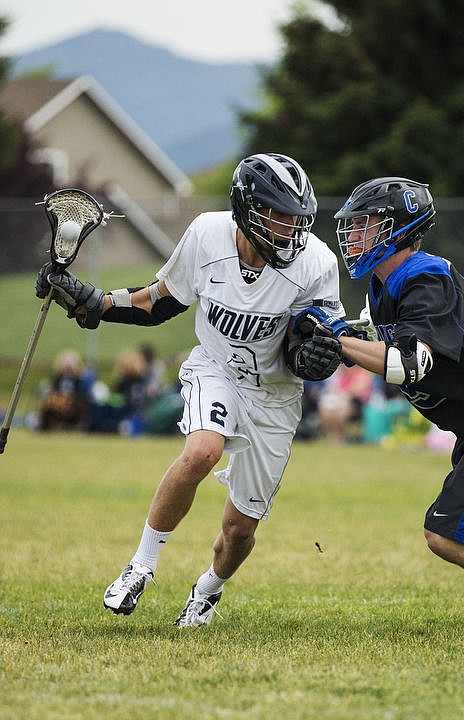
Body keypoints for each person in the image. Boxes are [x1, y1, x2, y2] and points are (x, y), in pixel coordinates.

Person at [35, 152, 347, 627]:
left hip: (274, 396)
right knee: (202, 450)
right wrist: (94, 302)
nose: (290, 231)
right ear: (247, 209)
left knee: (239, 531)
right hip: (215, 368)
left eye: (297, 220)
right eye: (278, 217)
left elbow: (313, 341)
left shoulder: (317, 263)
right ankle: (140, 566)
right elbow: (158, 300)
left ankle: (208, 590)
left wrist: (315, 354)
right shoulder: (206, 234)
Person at [292, 176, 464, 636]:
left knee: (446, 533)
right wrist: (335, 329)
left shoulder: (425, 277)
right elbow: (387, 340)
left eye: (365, 225)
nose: (353, 235)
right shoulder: (388, 286)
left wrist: (336, 339)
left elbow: (409, 363)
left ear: (397, 228)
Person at [38, 349, 92, 431]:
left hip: (74, 403)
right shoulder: (57, 378)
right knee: (50, 402)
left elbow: (81, 393)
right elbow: (53, 390)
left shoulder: (79, 379)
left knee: (65, 404)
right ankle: (44, 426)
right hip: (58, 402)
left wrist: (67, 399)